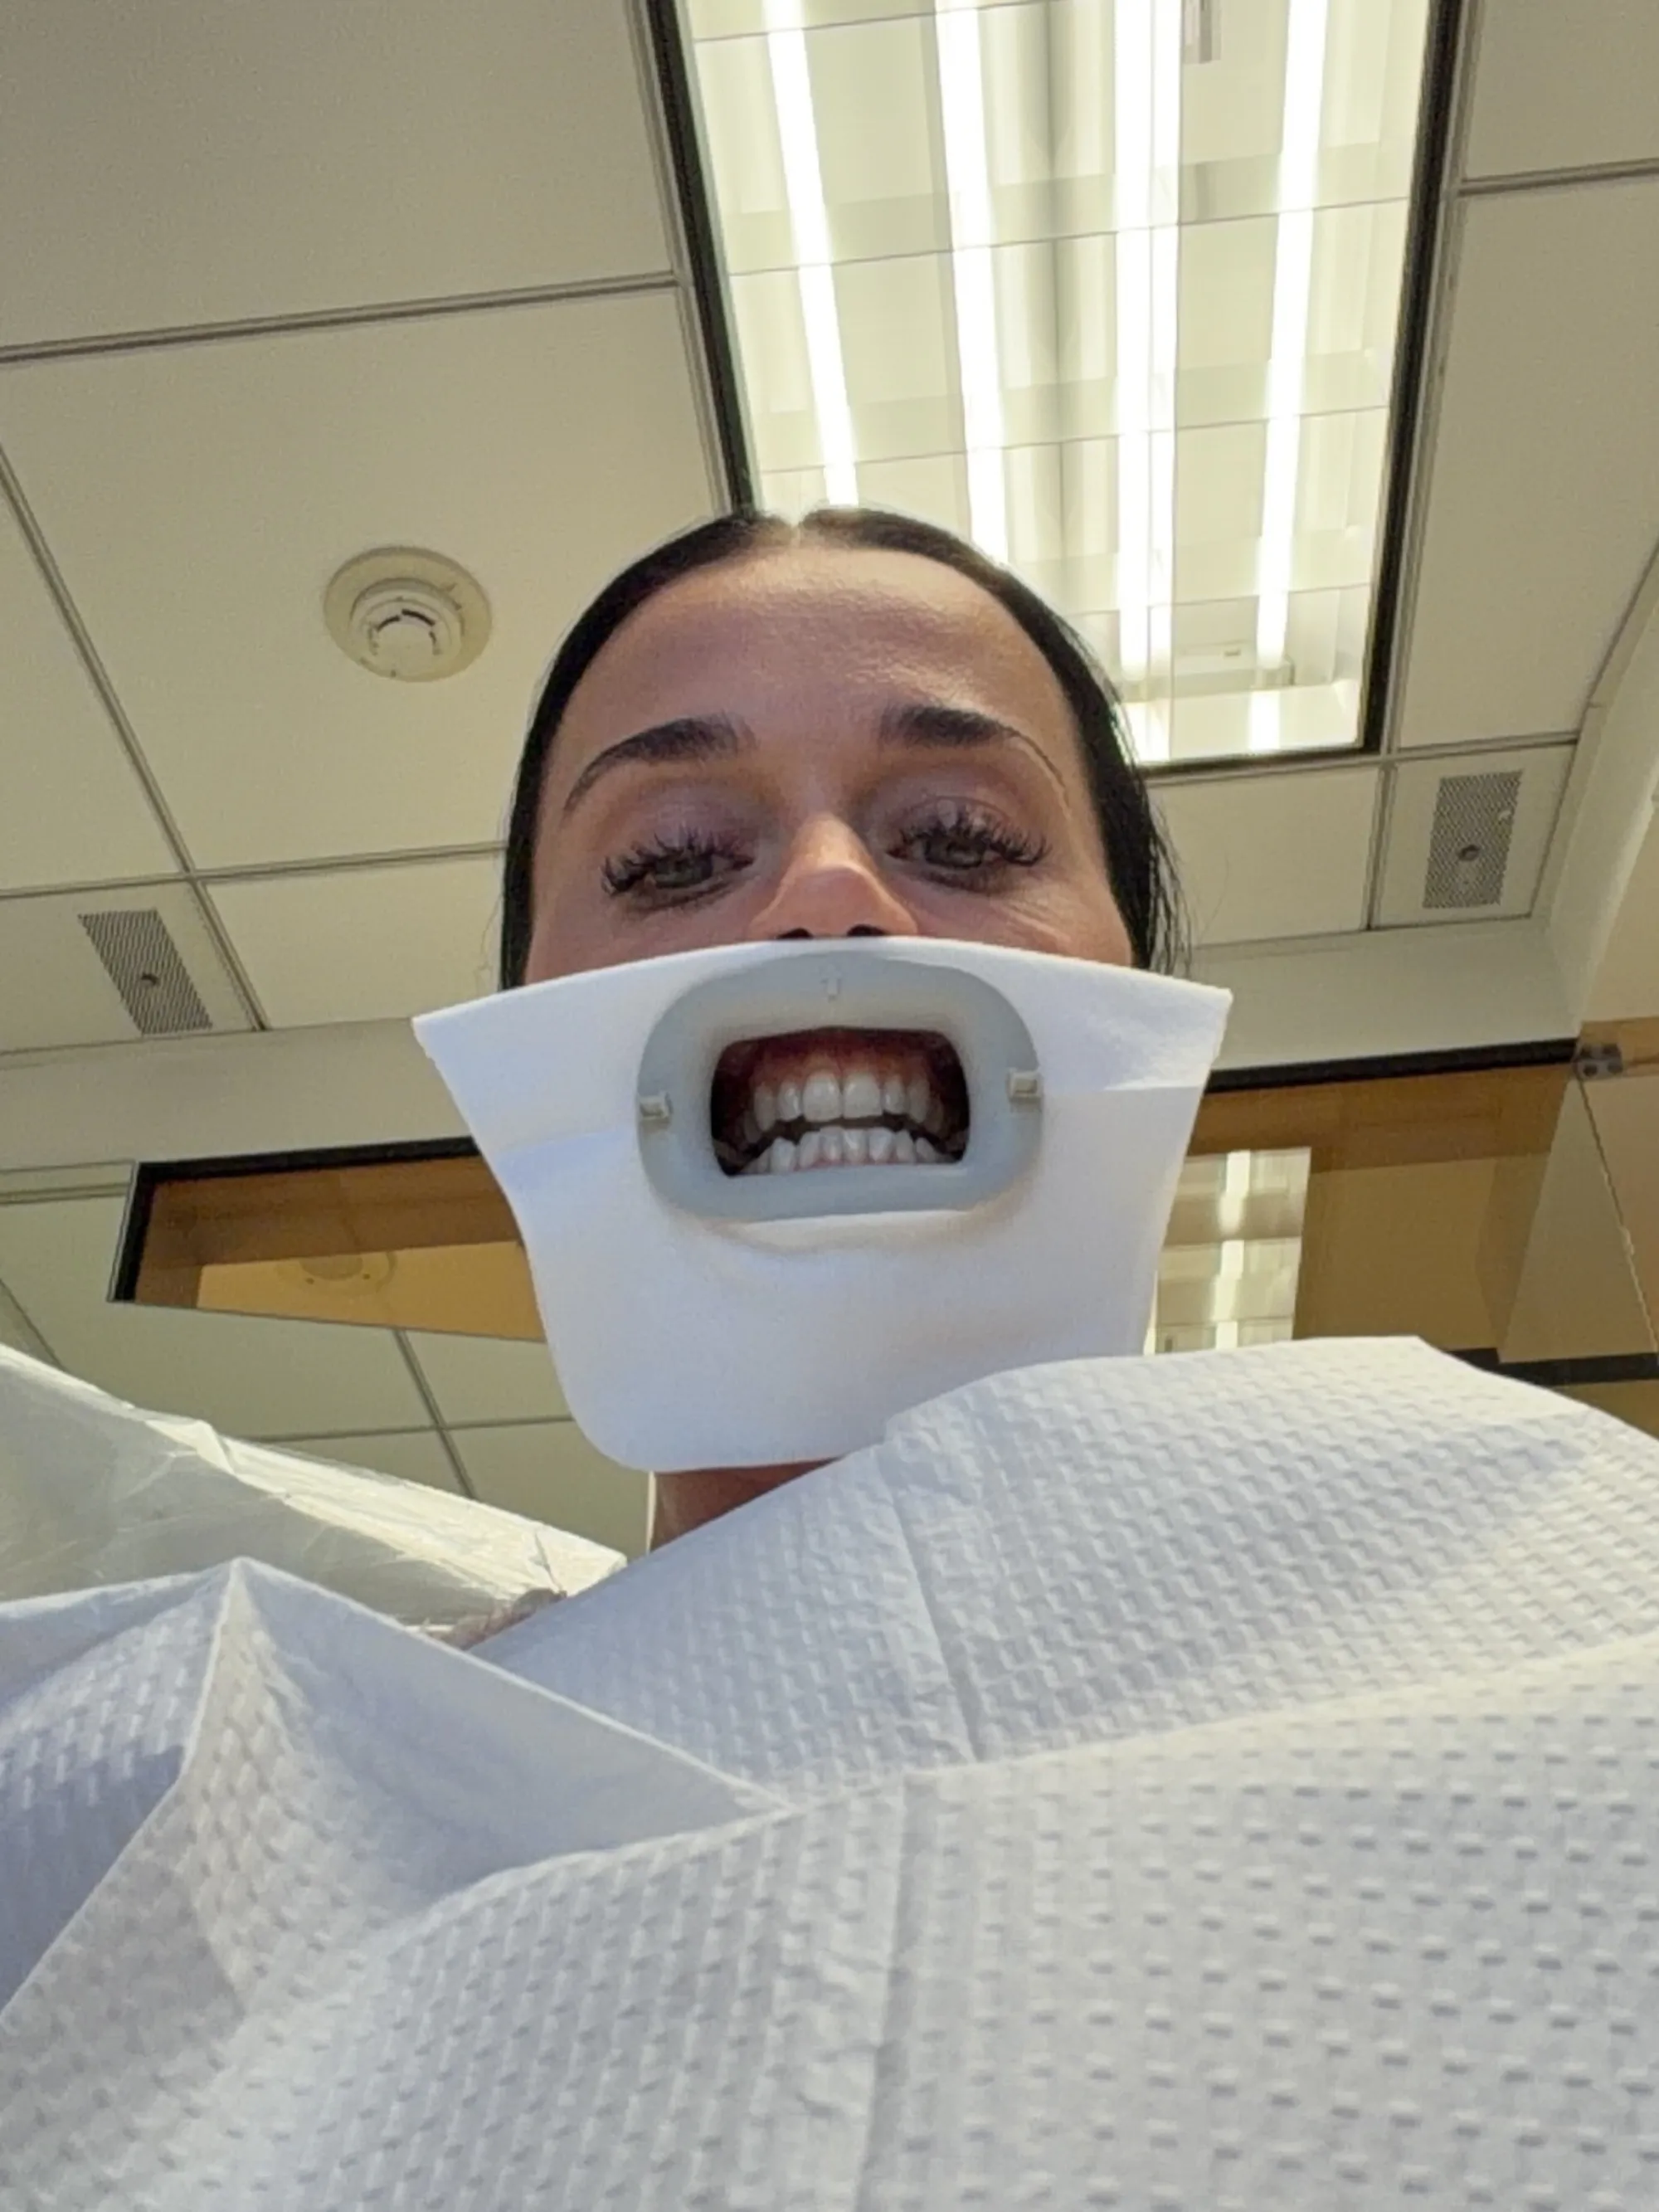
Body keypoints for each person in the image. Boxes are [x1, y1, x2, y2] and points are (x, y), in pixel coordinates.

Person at [495, 505, 1183, 1543]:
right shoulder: (330, 1701)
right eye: (672, 855)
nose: (826, 890)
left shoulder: (1474, 1606)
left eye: (961, 835)